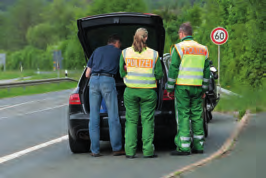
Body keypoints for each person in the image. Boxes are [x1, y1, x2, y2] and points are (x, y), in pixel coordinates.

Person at [167, 22, 210, 155]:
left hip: (182, 87)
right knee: (197, 116)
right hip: (197, 87)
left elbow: (173, 68)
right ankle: (199, 146)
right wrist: (204, 89)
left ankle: (184, 147)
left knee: (183, 115)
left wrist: (169, 88)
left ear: (181, 33)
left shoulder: (179, 48)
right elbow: (206, 70)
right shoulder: (203, 49)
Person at [120, 28, 163, 158]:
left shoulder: (125, 53)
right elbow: (159, 74)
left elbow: (121, 72)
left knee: (131, 121)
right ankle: (148, 151)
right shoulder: (154, 54)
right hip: (148, 92)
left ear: (135, 37)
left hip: (130, 91)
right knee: (147, 121)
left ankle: (129, 151)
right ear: (146, 38)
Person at [86, 34, 125, 157]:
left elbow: (87, 74)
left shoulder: (97, 50)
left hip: (93, 81)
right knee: (113, 115)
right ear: (117, 43)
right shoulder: (119, 52)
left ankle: (95, 150)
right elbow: (124, 70)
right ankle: (117, 148)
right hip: (107, 80)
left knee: (94, 116)